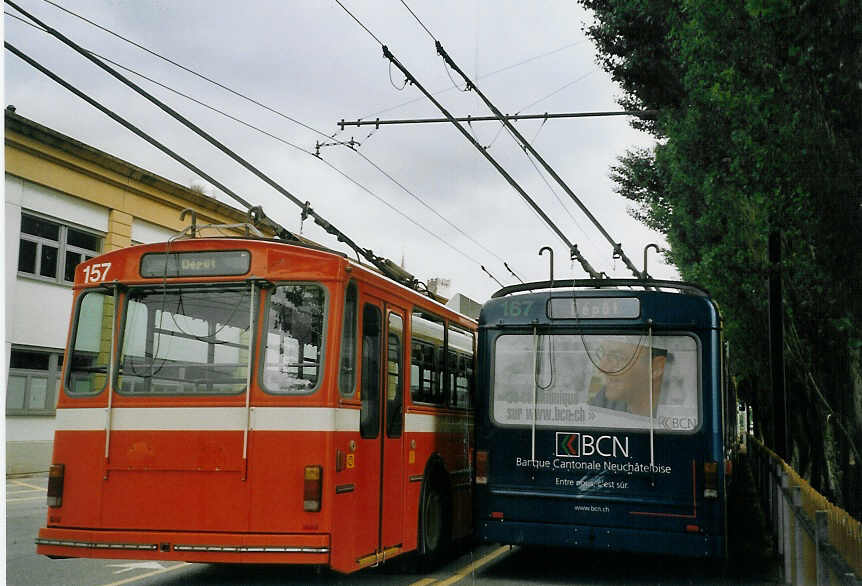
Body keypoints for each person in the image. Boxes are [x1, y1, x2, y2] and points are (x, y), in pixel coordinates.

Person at [588, 340, 668, 417]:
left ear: (656, 368)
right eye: (602, 353)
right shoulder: (605, 400)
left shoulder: (670, 411)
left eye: (617, 357)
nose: (602, 368)